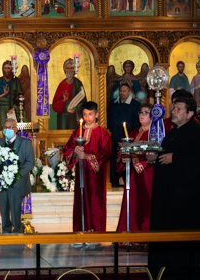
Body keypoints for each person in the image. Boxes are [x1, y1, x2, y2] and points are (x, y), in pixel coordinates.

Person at [147, 96, 200, 280]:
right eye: (173, 108)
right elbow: (165, 155)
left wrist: (175, 158)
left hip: (188, 201)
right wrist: (155, 157)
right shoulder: (174, 131)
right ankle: (165, 269)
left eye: (178, 109)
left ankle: (183, 271)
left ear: (190, 114)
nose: (173, 112)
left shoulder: (198, 134)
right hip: (171, 196)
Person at [63, 101, 111, 244]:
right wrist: (74, 153)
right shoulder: (77, 133)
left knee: (95, 202)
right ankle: (80, 232)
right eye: (85, 114)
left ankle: (95, 234)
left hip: (95, 176)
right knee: (80, 200)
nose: (87, 117)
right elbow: (67, 151)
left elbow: (105, 153)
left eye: (90, 114)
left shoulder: (102, 134)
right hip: (81, 174)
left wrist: (88, 157)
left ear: (96, 115)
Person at [115, 105, 154, 237]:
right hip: (132, 177)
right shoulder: (132, 134)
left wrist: (141, 161)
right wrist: (123, 158)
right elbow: (122, 153)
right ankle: (129, 236)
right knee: (132, 205)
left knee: (146, 205)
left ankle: (146, 237)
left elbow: (156, 155)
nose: (142, 115)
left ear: (152, 115)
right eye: (140, 112)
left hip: (148, 175)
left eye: (146, 112)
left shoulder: (155, 133)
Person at [0, 118, 35, 233]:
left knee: (15, 208)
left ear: (16, 129)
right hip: (2, 183)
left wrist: (16, 174)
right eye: (5, 127)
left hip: (17, 183)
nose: (8, 130)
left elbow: (30, 163)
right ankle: (6, 230)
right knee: (3, 208)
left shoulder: (25, 143)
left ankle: (17, 231)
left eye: (11, 127)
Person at [107, 84, 141, 187]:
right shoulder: (113, 103)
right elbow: (108, 118)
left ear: (129, 92)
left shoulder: (135, 105)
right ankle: (114, 182)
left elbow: (137, 122)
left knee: (127, 159)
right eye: (120, 91)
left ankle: (128, 182)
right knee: (113, 159)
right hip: (114, 137)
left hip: (128, 139)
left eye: (124, 91)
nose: (122, 93)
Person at [52, 58, 86, 130]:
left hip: (74, 117)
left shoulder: (78, 83)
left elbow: (83, 102)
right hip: (63, 117)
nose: (69, 71)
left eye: (71, 68)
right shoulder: (62, 84)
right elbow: (55, 104)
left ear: (74, 70)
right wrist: (63, 101)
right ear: (64, 70)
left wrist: (75, 109)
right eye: (67, 68)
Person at [0, 60, 23, 127]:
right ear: (3, 69)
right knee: (2, 126)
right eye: (5, 68)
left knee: (12, 126)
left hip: (12, 106)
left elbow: (20, 96)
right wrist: (4, 94)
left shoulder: (16, 81)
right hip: (1, 106)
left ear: (12, 69)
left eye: (9, 68)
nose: (7, 70)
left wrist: (13, 108)